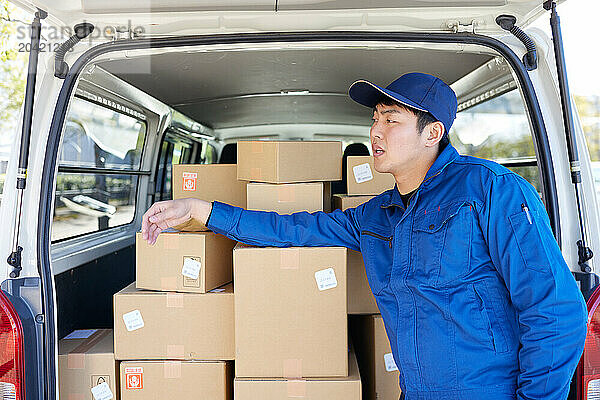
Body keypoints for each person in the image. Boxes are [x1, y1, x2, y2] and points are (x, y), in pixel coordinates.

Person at [141, 72, 588, 400]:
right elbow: (294, 229)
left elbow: (557, 311)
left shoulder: (490, 190)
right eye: (375, 118)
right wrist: (201, 209)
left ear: (432, 133)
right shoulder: (379, 214)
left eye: (391, 119)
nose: (375, 131)